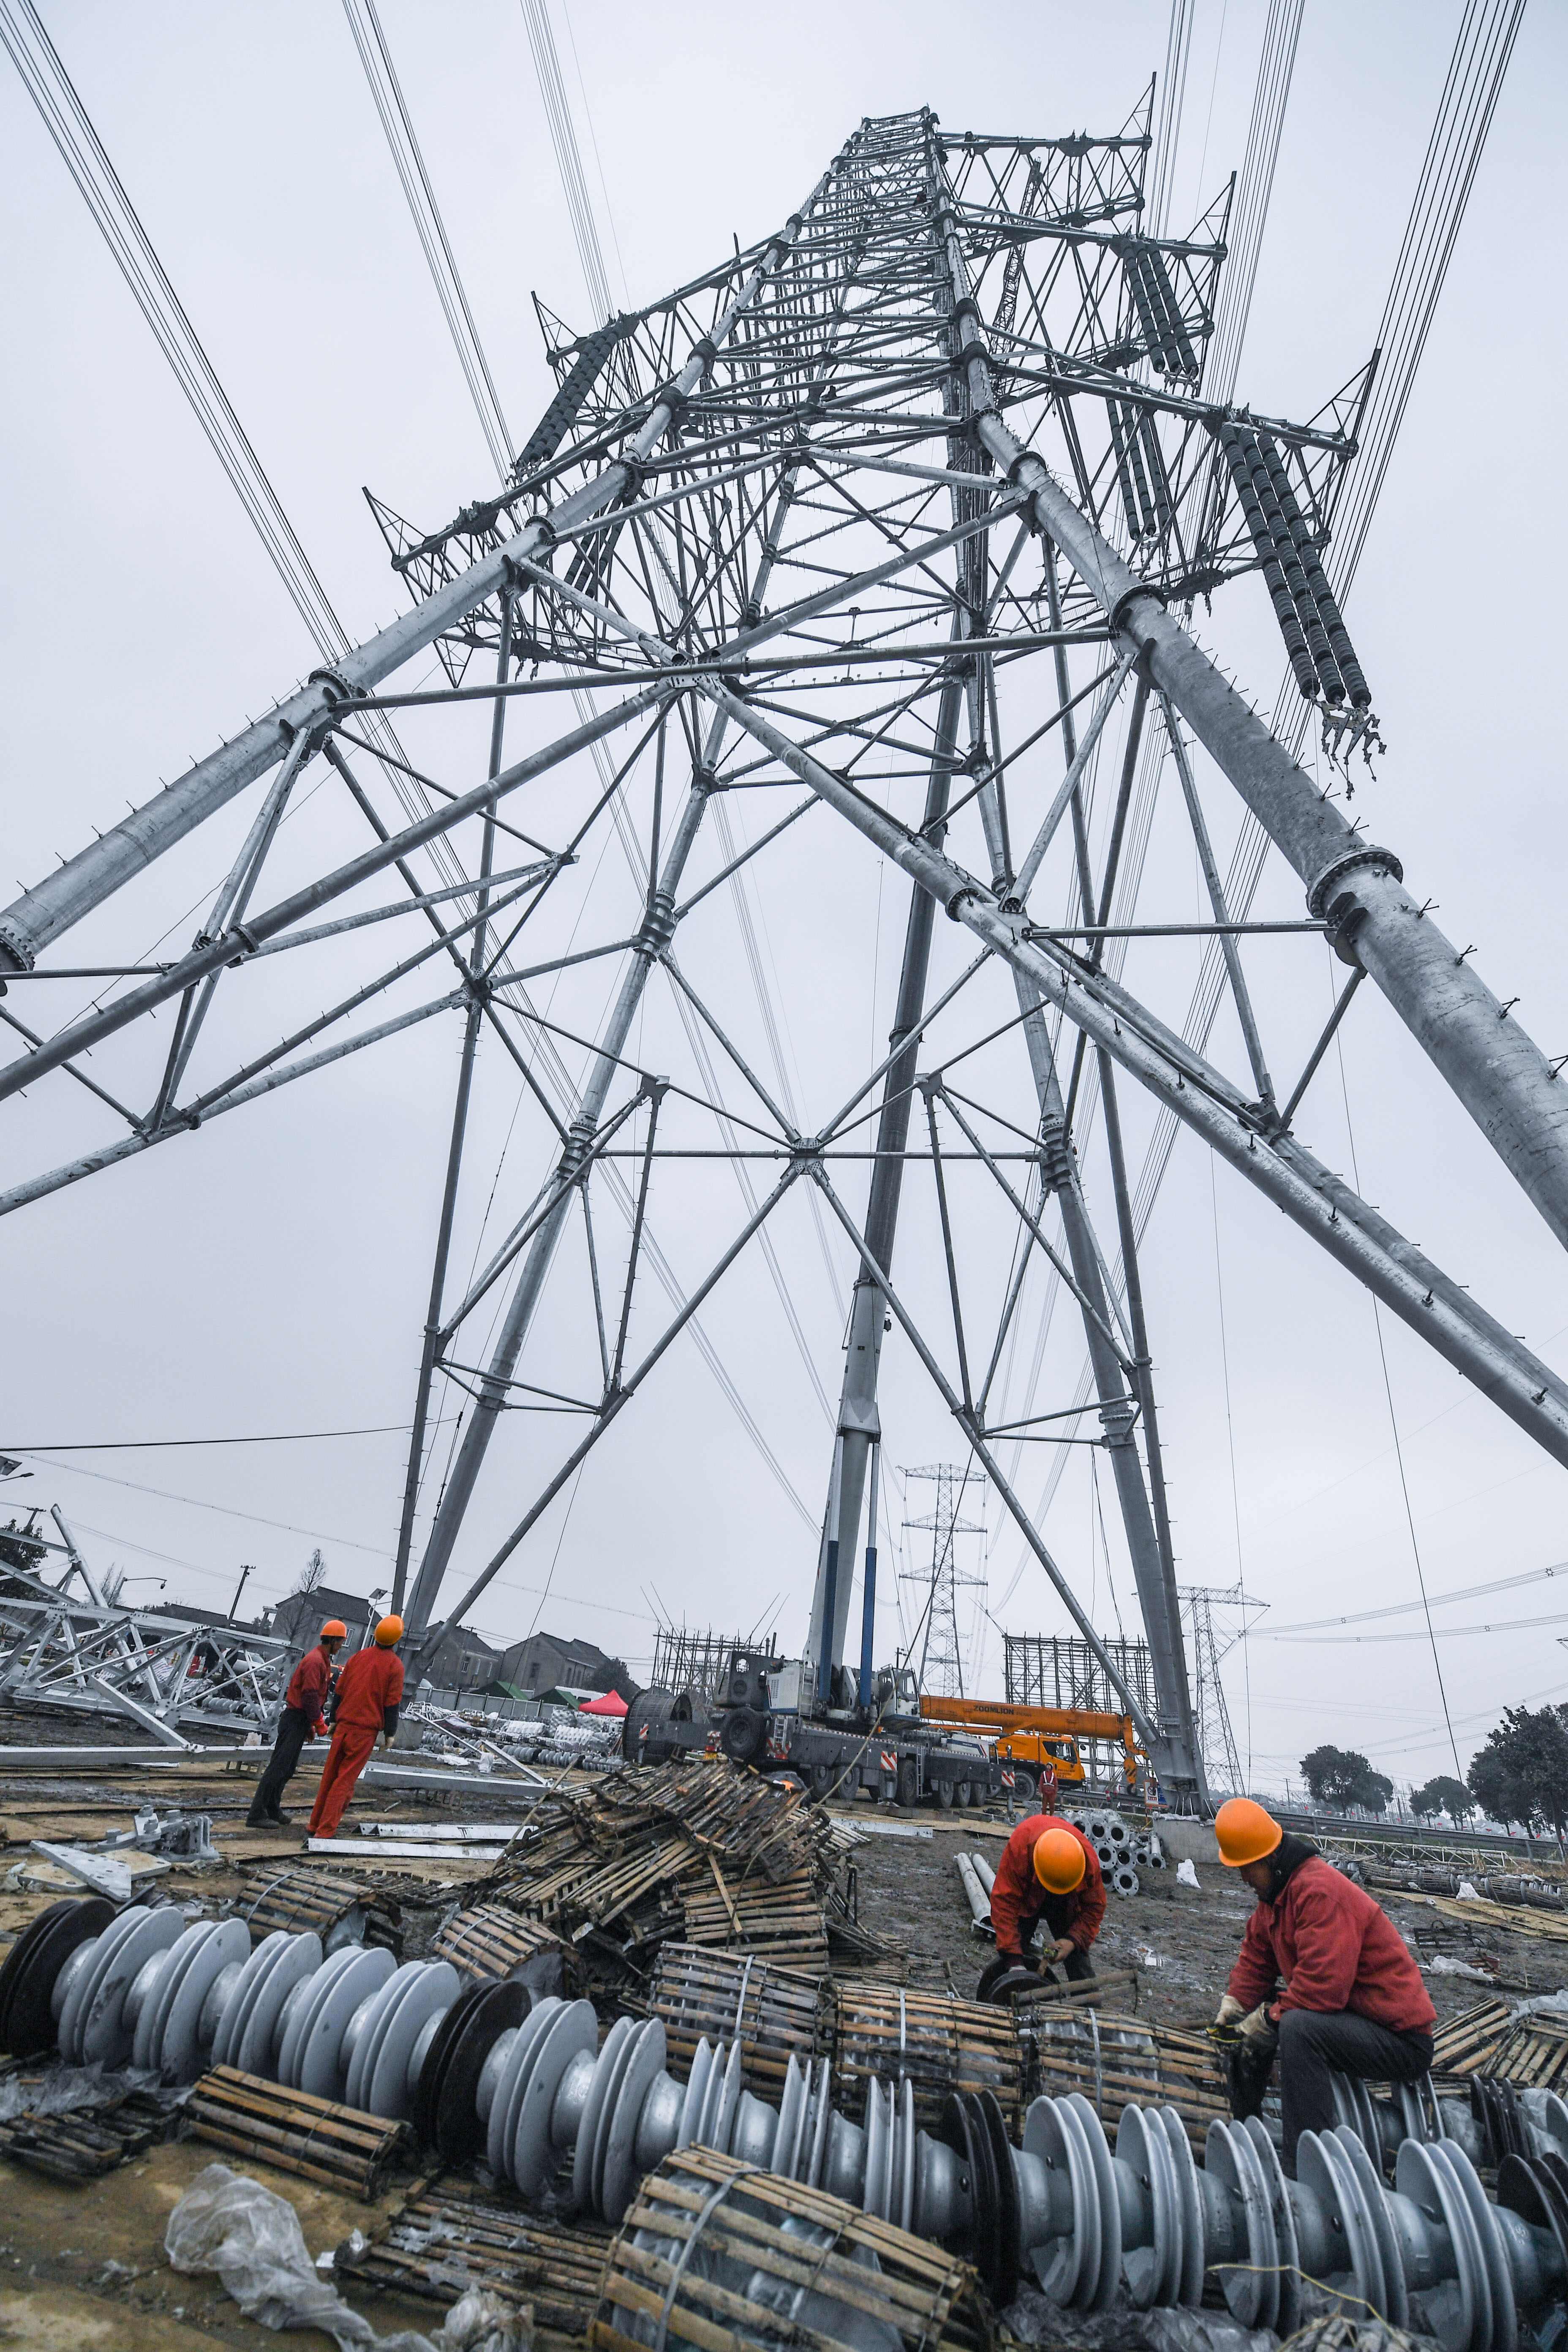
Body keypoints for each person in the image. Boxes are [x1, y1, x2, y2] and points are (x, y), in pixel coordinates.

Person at [1212, 1797, 1435, 2169]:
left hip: (1400, 2040)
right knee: (1256, 2020)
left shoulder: (1319, 1893)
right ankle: (1244, 2122)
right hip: (1356, 2021)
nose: (1243, 1878)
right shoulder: (1276, 1897)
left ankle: (1306, 2160)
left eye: (1247, 1869)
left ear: (1268, 1859)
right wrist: (1234, 2006)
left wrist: (1266, 2022)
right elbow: (1256, 1960)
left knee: (1297, 2026)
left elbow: (1323, 1990)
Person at [977, 1812, 1105, 1998]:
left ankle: (1093, 2015)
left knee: (1078, 1962)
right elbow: (1004, 1904)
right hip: (1027, 1897)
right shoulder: (1022, 1847)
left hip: (1066, 1905)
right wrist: (1014, 1962)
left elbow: (1095, 1908)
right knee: (1012, 1951)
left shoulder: (1087, 1862)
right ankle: (1003, 1995)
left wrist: (1073, 1940)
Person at [306, 1616, 405, 1840]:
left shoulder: (358, 1657)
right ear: (396, 1640)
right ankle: (325, 1832)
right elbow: (392, 1703)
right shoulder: (395, 1667)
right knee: (345, 1781)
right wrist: (390, 1733)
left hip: (343, 1726)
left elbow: (339, 1690)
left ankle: (314, 1825)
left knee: (330, 1776)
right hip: (365, 1732)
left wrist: (332, 1720)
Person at [247, 1618, 346, 1827]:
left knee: (287, 1768)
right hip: (295, 1718)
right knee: (278, 1767)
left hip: (300, 1720)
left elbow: (315, 1696)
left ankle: (272, 1808)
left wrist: (310, 1724)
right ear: (333, 1640)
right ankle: (256, 1814)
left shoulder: (323, 1659)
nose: (341, 1646)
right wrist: (319, 1723)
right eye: (341, 1642)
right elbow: (309, 1695)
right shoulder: (315, 1661)